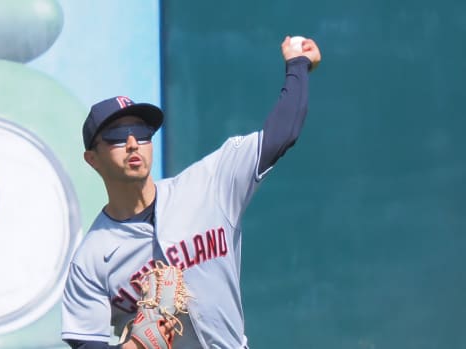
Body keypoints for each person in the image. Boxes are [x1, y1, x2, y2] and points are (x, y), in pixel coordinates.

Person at [61, 36, 322, 349]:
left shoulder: (208, 185)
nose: (133, 143)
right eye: (117, 136)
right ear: (92, 158)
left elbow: (282, 134)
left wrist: (297, 65)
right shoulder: (91, 259)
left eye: (142, 133)